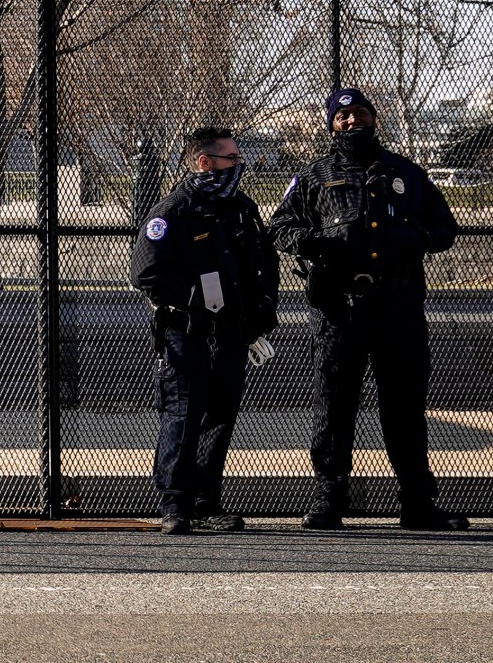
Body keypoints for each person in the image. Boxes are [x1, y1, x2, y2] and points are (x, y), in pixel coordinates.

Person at [269, 86, 469, 530]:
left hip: (398, 308)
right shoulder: (314, 176)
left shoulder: (406, 173)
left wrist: (413, 238)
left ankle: (417, 502)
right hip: (340, 310)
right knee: (335, 404)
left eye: (359, 113)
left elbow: (445, 228)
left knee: (404, 406)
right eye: (342, 117)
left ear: (373, 119)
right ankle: (328, 498)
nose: (351, 121)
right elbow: (280, 226)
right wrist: (308, 242)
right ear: (331, 124)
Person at [130, 126, 280, 533]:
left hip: (232, 334)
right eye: (232, 159)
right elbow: (146, 272)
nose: (239, 165)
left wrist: (263, 308)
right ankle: (175, 505)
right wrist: (197, 296)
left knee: (220, 415)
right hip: (188, 333)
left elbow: (265, 264)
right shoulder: (173, 212)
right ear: (204, 162)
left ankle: (204, 501)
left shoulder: (242, 209)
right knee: (183, 414)